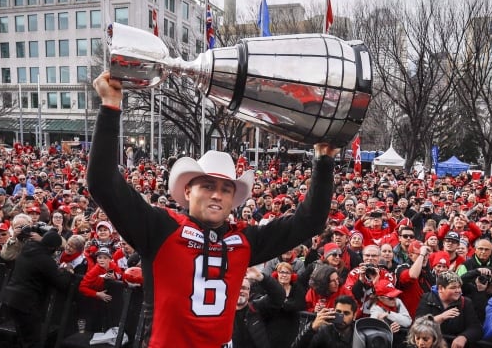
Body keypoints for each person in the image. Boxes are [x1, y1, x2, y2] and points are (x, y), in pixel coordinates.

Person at [87, 71, 336, 347]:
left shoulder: (244, 239)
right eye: (207, 186)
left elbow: (310, 221)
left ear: (233, 199)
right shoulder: (160, 228)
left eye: (226, 189)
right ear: (187, 191)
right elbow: (103, 183)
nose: (217, 195)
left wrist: (323, 160)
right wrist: (110, 107)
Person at [2, 230, 71, 348]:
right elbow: (61, 283)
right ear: (53, 248)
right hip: (27, 303)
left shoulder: (26, 250)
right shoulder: (45, 260)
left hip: (11, 299)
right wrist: (68, 271)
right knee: (32, 341)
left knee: (22, 337)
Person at [415, 270, 482, 348]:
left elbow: (476, 328)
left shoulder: (466, 302)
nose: (458, 290)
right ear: (440, 288)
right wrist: (441, 317)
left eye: (459, 287)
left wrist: (464, 337)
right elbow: (418, 325)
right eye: (453, 287)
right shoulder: (427, 299)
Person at [291, 295, 358, 348]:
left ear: (354, 315)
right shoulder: (324, 330)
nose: (342, 317)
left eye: (346, 313)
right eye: (338, 312)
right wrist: (312, 328)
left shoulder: (358, 333)